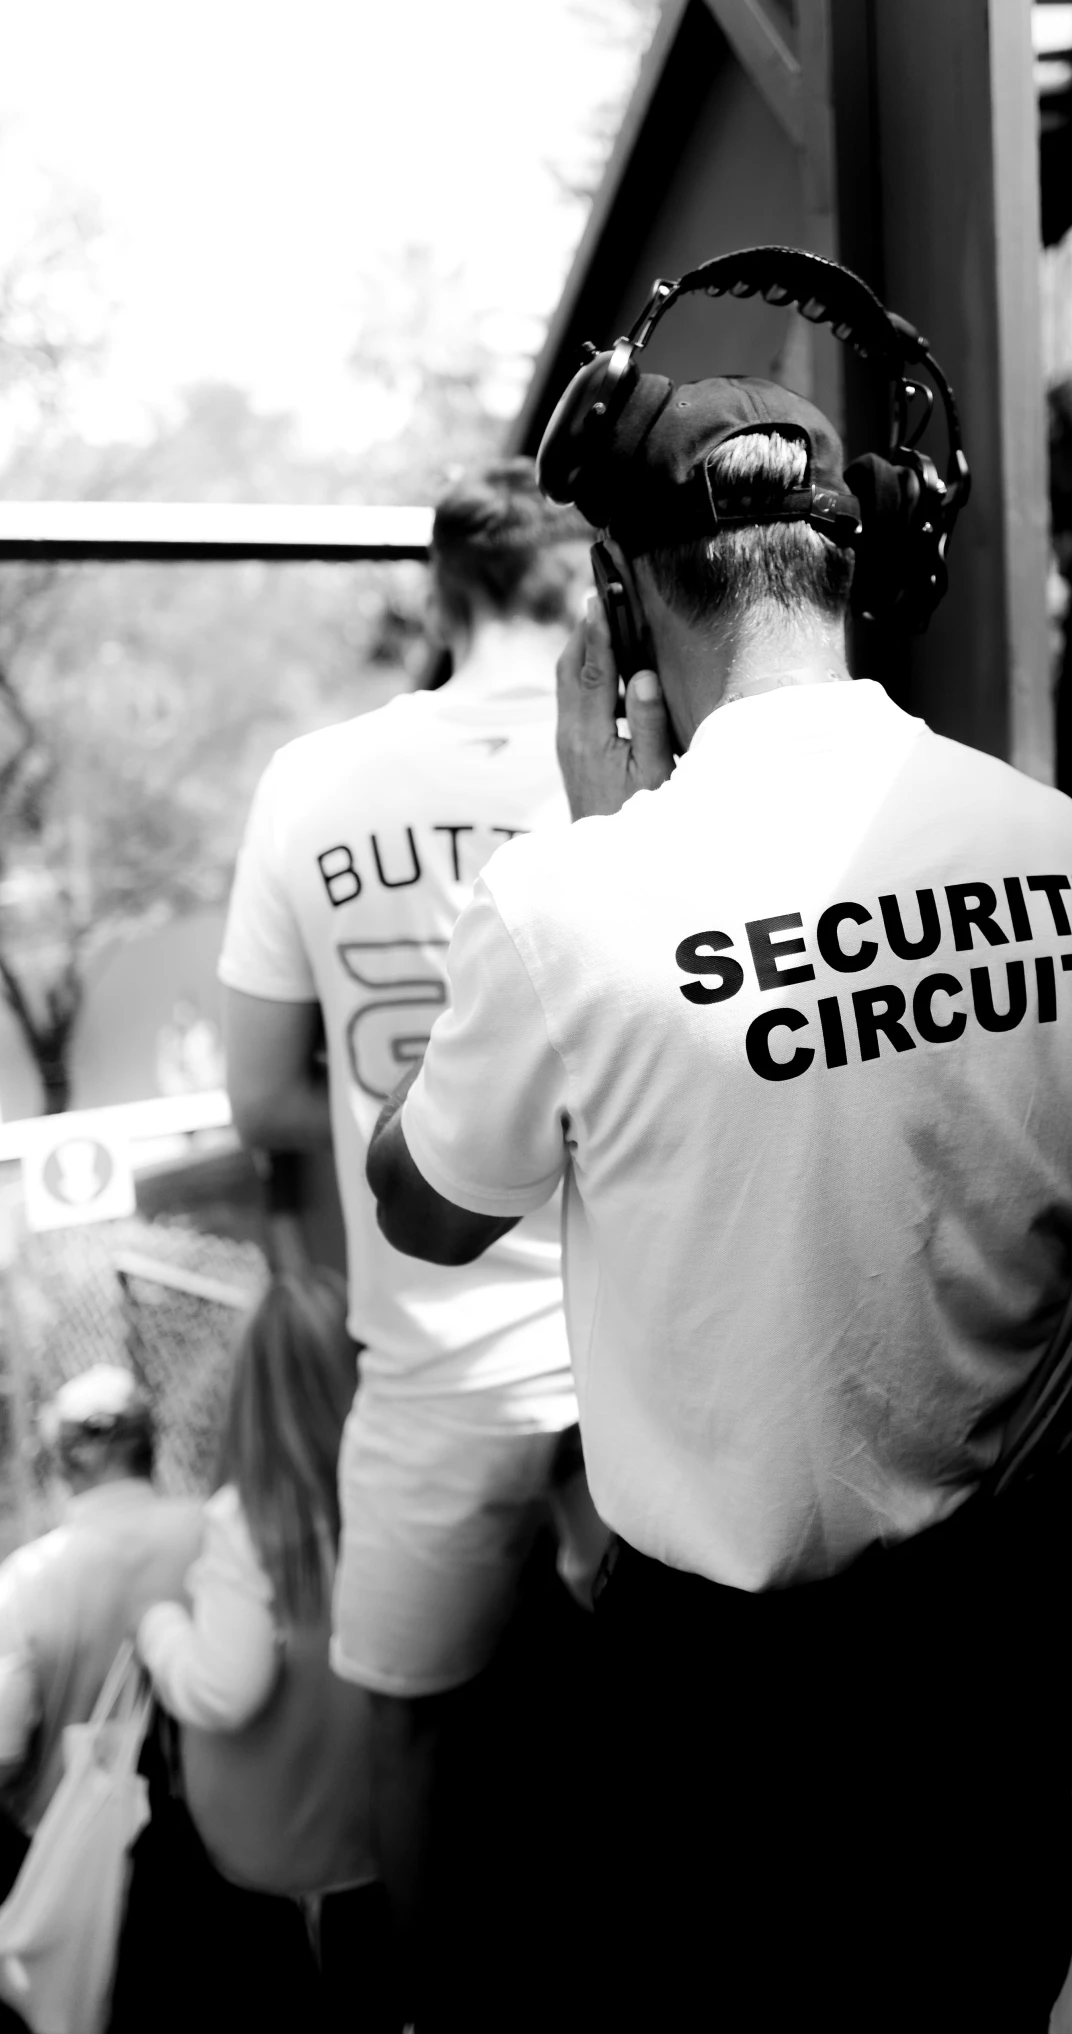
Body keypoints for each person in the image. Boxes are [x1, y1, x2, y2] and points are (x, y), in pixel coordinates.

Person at [366, 379, 1072, 2009]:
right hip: (1006, 1649)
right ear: (850, 574)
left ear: (620, 596)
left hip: (731, 1705)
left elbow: (425, 1205)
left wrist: (604, 833)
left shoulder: (571, 900)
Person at [218, 465, 607, 2021]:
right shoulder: (638, 769)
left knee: (413, 1731)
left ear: (440, 595)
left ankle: (432, 2014)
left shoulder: (315, 782)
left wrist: (400, 1093)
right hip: (622, 1360)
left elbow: (256, 1097)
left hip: (430, 1357)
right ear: (582, 587)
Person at [126, 1267, 403, 2033]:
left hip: (273, 1849)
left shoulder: (245, 1527)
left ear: (252, 1390)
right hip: (380, 1831)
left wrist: (160, 1630)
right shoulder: (393, 1502)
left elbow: (224, 1688)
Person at [0, 1366, 201, 1851]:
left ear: (62, 1461)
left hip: (69, 1861)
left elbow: (4, 1751)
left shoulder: (29, 1578)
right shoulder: (215, 1535)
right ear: (151, 1447)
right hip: (217, 1848)